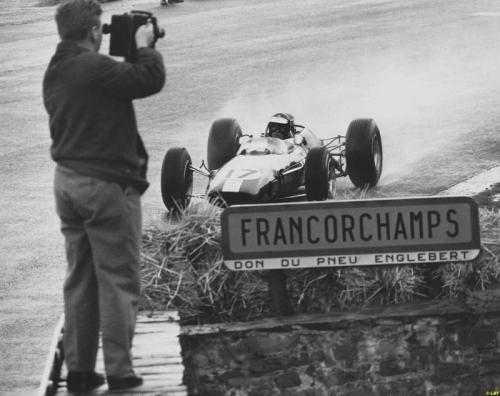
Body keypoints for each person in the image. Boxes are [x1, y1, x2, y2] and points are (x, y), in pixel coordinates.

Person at [42, 0, 165, 392]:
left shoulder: (57, 68)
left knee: (80, 279)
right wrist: (145, 45)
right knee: (117, 278)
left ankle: (79, 371)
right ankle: (120, 371)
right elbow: (148, 79)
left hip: (68, 181)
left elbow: (113, 87)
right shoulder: (93, 68)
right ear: (94, 31)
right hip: (105, 186)